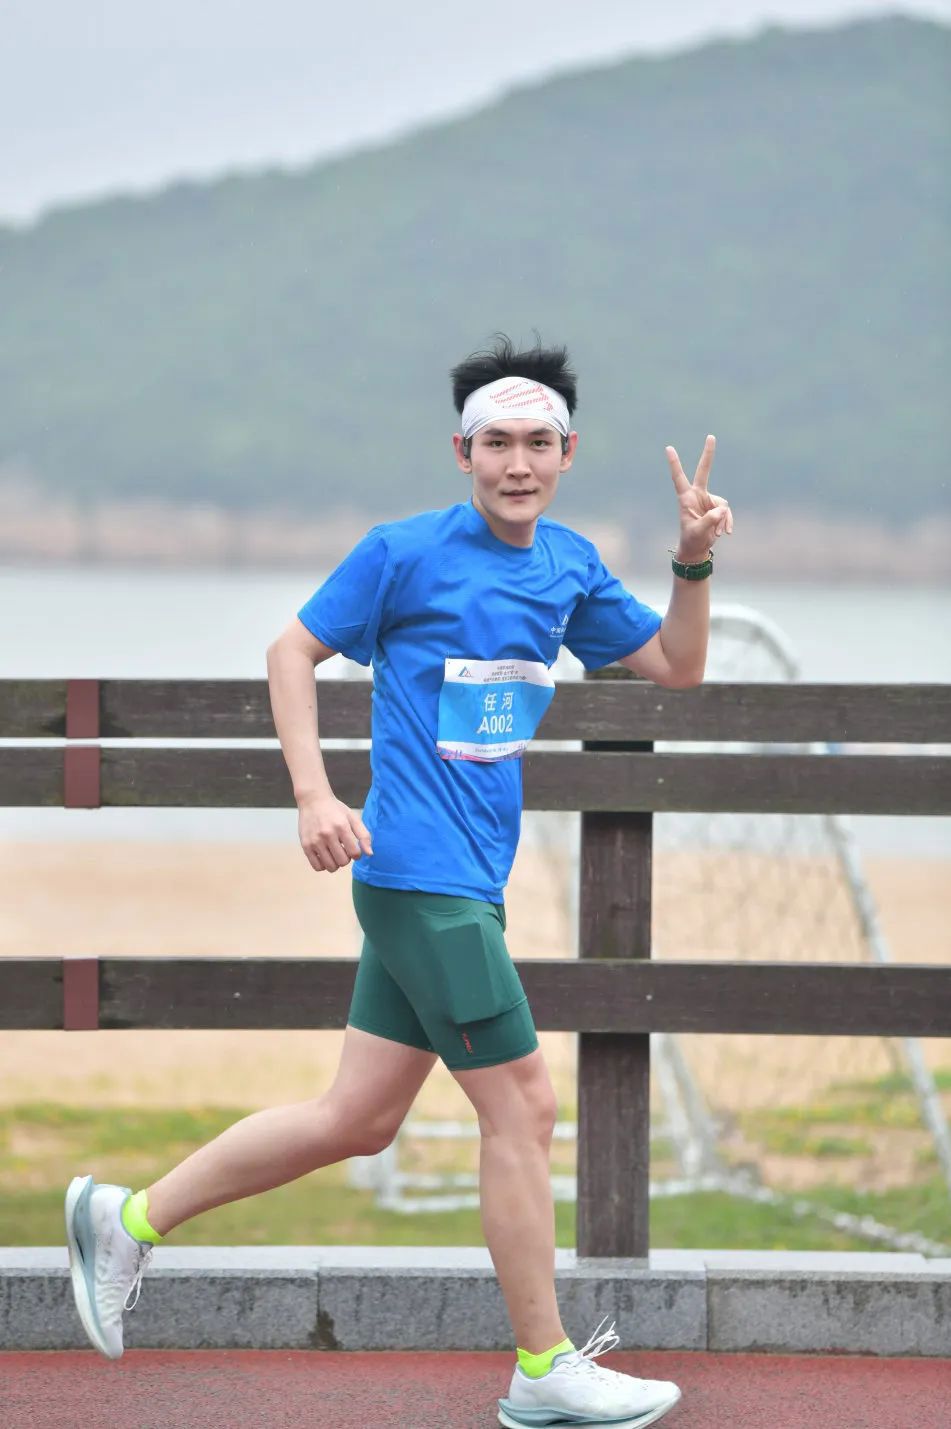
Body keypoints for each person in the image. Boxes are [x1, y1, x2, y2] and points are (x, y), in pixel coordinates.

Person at [65, 333, 732, 1428]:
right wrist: (314, 795)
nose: (517, 463)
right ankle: (542, 1363)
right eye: (495, 443)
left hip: (466, 882)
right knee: (524, 1106)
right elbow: (289, 652)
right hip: (420, 879)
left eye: (538, 443)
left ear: (568, 453)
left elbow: (678, 666)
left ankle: (126, 1220)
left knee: (358, 1116)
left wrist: (693, 561)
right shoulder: (403, 553)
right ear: (461, 452)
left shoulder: (567, 566)